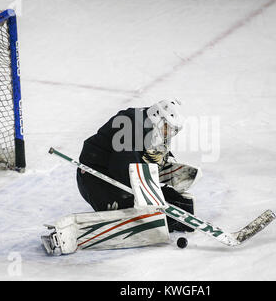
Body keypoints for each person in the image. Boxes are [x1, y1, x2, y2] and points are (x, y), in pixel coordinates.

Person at [76, 99, 195, 232]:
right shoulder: (131, 126)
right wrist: (154, 200)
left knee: (176, 203)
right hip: (94, 177)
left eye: (173, 130)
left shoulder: (149, 123)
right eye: (167, 128)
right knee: (137, 205)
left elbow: (156, 156)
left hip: (117, 172)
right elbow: (123, 167)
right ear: (158, 117)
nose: (169, 133)